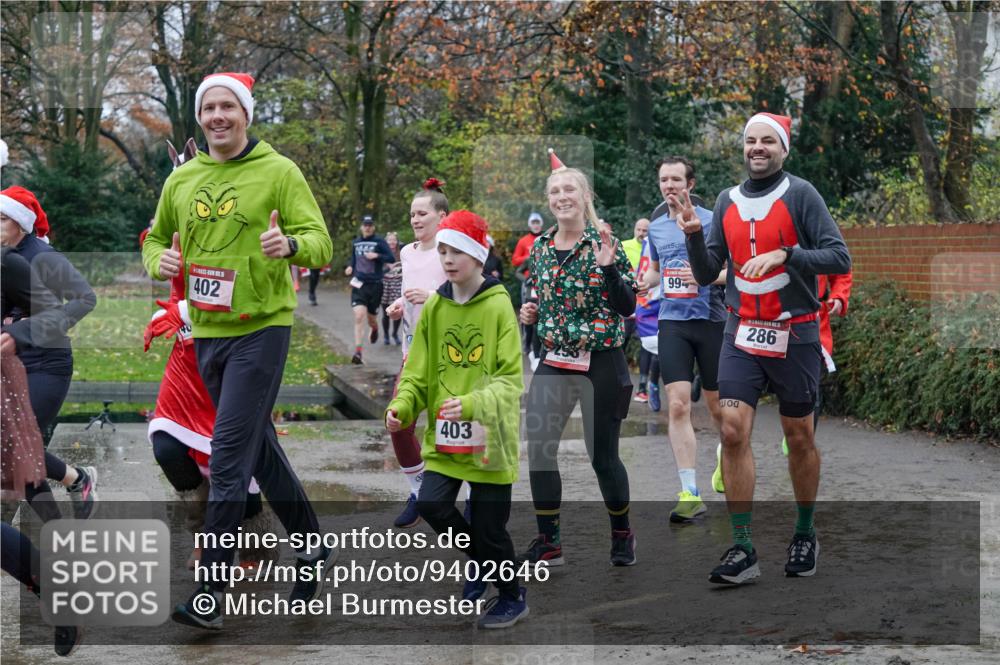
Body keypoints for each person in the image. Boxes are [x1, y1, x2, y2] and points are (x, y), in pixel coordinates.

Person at [141, 71, 336, 629]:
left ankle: (210, 594)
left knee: (227, 458)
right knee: (259, 451)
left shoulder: (279, 171)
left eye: (228, 106)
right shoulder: (183, 180)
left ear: (246, 114)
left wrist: (290, 244)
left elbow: (321, 241)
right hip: (207, 333)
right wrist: (163, 263)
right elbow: (156, 240)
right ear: (199, 119)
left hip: (262, 329)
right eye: (209, 109)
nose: (218, 117)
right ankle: (312, 544)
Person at [678, 112, 851, 585]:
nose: (757, 147)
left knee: (799, 437)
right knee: (732, 431)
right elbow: (706, 270)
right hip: (741, 333)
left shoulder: (801, 194)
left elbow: (839, 256)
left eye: (767, 141)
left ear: (782, 149)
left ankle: (804, 532)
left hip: (794, 333)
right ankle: (743, 546)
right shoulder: (725, 200)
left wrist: (788, 254)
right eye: (750, 140)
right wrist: (694, 234)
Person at [386, 210, 527, 629]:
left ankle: (512, 594)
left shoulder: (500, 306)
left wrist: (469, 404)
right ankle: (488, 564)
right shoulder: (434, 306)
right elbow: (418, 372)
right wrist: (403, 407)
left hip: (490, 438)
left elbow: (510, 382)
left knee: (489, 529)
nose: (447, 259)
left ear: (478, 257)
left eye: (457, 251)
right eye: (443, 250)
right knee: (431, 503)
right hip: (446, 441)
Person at [519, 149, 638, 567]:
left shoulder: (604, 242)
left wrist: (609, 269)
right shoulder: (539, 248)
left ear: (584, 195)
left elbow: (627, 307)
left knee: (602, 458)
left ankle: (622, 533)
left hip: (601, 362)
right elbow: (540, 297)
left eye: (569, 188)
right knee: (539, 449)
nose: (561, 196)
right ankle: (549, 541)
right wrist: (531, 312)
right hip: (555, 359)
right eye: (555, 190)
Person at [140, 231, 278, 570]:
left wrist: (186, 310)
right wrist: (158, 259)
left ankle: (254, 543)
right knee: (166, 446)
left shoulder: (235, 226)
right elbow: (152, 244)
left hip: (233, 356)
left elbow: (252, 289)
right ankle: (205, 535)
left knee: (235, 461)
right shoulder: (178, 216)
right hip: (187, 362)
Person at [637, 156, 727, 523]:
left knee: (722, 409)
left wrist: (704, 277)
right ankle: (689, 492)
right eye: (663, 180)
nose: (669, 186)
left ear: (690, 184)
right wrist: (645, 282)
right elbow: (657, 271)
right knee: (677, 405)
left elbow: (730, 273)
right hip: (672, 322)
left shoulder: (713, 221)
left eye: (676, 180)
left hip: (711, 321)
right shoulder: (657, 228)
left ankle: (727, 454)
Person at [1, 187, 97, 522]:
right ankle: (76, 480)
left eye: (2, 219)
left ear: (22, 225)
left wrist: (27, 327)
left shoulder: (43, 256)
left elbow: (85, 299)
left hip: (46, 364)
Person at [712, 270, 853, 490]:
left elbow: (840, 265)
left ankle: (794, 446)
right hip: (747, 331)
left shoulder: (816, 236)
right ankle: (729, 453)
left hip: (803, 337)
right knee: (729, 426)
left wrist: (838, 296)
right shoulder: (749, 237)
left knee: (802, 431)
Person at [384, 178, 449, 527]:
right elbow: (411, 292)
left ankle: (467, 499)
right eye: (412, 214)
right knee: (397, 422)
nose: (415, 219)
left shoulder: (452, 250)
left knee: (450, 429)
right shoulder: (407, 252)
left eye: (422, 213)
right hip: (413, 353)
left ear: (442, 216)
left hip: (450, 355)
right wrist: (399, 304)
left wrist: (432, 297)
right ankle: (418, 488)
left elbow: (466, 295)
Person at [345, 215, 395, 364]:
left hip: (375, 285)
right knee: (359, 316)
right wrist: (349, 267)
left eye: (370, 225)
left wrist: (377, 255)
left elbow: (391, 258)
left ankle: (374, 329)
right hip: (359, 284)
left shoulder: (379, 241)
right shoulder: (356, 242)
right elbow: (353, 259)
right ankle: (358, 352)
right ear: (361, 227)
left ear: (373, 227)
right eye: (365, 225)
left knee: (371, 319)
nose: (367, 227)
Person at [621, 218, 651, 402]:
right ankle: (617, 384)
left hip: (647, 306)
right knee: (619, 345)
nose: (641, 233)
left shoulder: (653, 248)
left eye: (645, 231)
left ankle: (643, 387)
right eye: (638, 229)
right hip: (627, 305)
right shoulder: (624, 246)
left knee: (647, 345)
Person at [512, 211, 544, 361]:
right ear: (530, 224)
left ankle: (544, 344)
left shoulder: (547, 239)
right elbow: (515, 261)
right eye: (534, 223)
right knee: (528, 313)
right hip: (529, 285)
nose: (536, 225)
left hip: (545, 285)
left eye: (538, 223)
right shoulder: (524, 241)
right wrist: (528, 256)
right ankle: (526, 344)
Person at [380, 231, 403, 346]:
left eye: (394, 240)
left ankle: (394, 333)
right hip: (385, 285)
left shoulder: (402, 252)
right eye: (390, 240)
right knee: (386, 312)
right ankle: (386, 335)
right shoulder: (382, 253)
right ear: (386, 242)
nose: (392, 242)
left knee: (397, 310)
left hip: (398, 285)